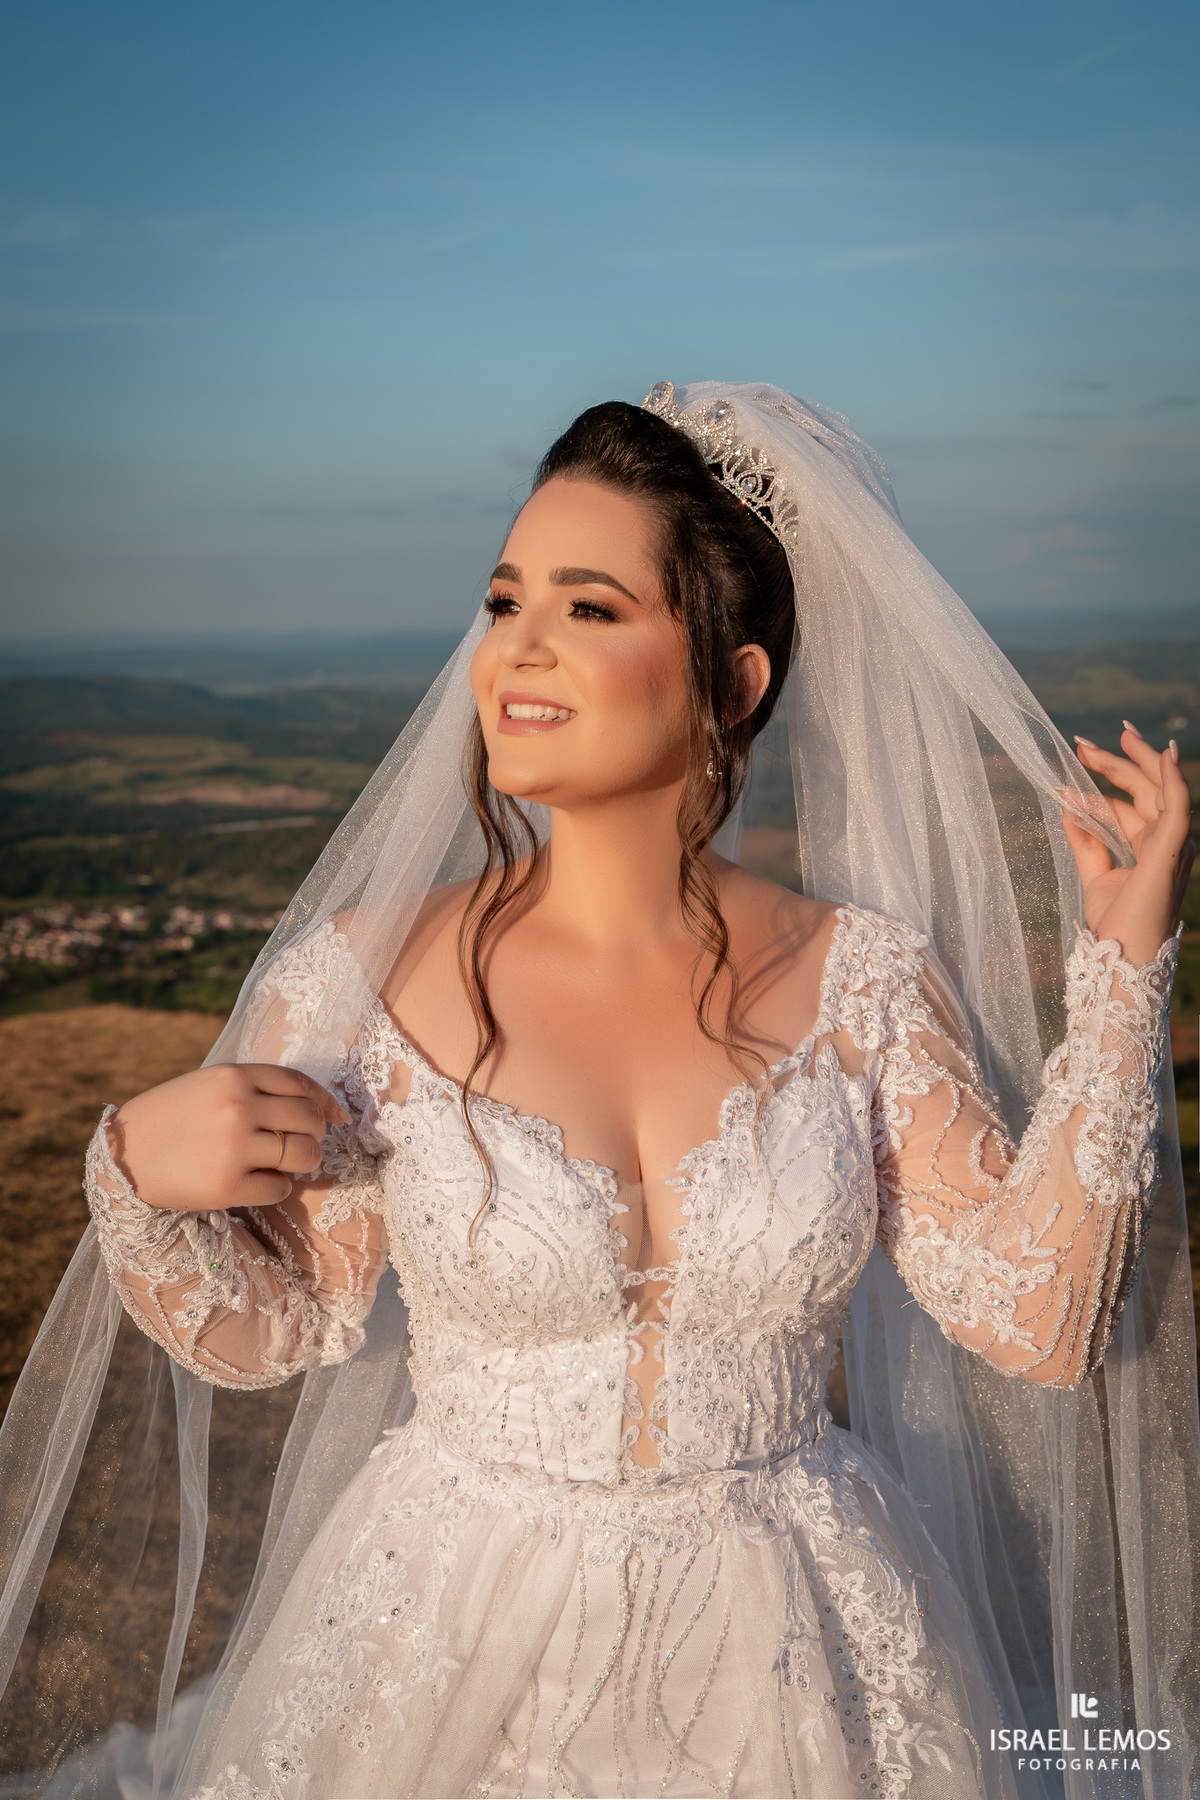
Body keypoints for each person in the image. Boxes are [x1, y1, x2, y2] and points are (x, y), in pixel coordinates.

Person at [0, 382, 1195, 1800]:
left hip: (800, 1644)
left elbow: (1042, 1321)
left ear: (734, 683)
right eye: (505, 603)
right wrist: (138, 1174)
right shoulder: (364, 981)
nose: (514, 652)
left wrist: (1122, 976)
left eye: (589, 608)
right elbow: (280, 1328)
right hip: (441, 1634)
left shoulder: (865, 980)